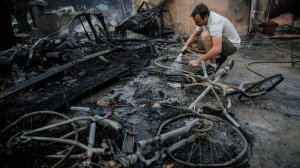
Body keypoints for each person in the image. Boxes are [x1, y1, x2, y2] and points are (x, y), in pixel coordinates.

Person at [181, 3, 240, 72]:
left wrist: (197, 61)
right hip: (221, 43)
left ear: (206, 17)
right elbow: (195, 35)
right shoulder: (203, 19)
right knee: (192, 46)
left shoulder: (215, 21)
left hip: (231, 45)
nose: (196, 24)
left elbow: (217, 48)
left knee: (205, 35)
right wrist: (185, 46)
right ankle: (219, 57)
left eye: (198, 22)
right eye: (195, 22)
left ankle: (212, 65)